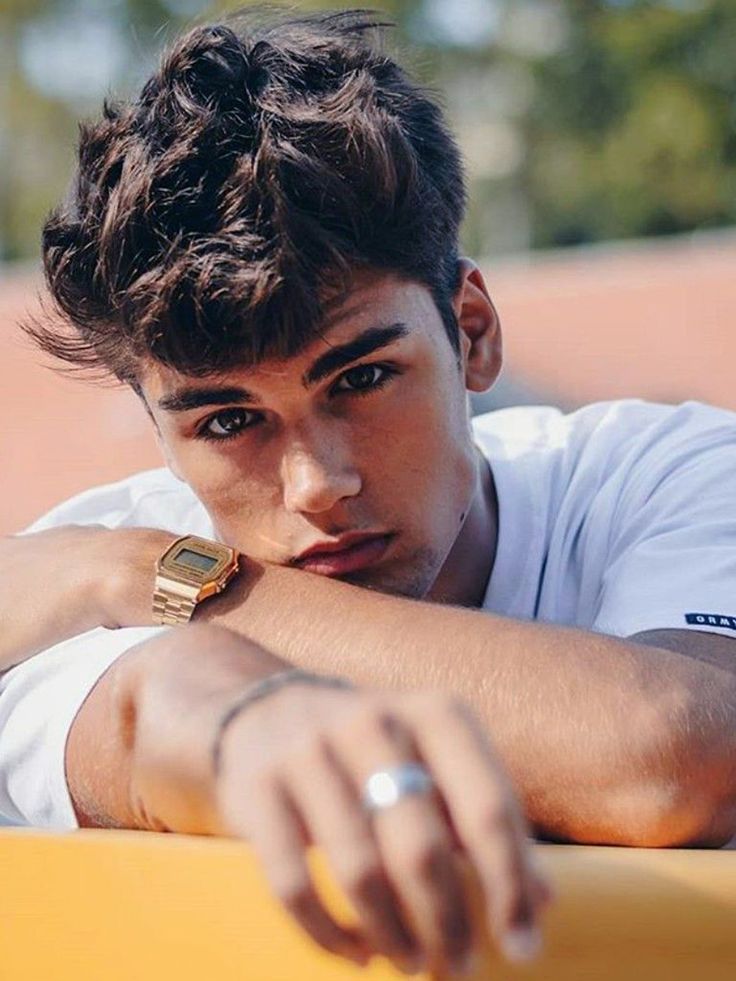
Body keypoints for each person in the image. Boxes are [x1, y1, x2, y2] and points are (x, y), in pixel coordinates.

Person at [2, 5, 735, 972]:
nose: (316, 482)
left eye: (361, 379)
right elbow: (148, 715)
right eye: (226, 423)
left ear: (472, 331)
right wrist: (234, 700)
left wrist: (164, 578)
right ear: (155, 429)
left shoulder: (666, 469)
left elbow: (676, 762)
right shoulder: (68, 574)